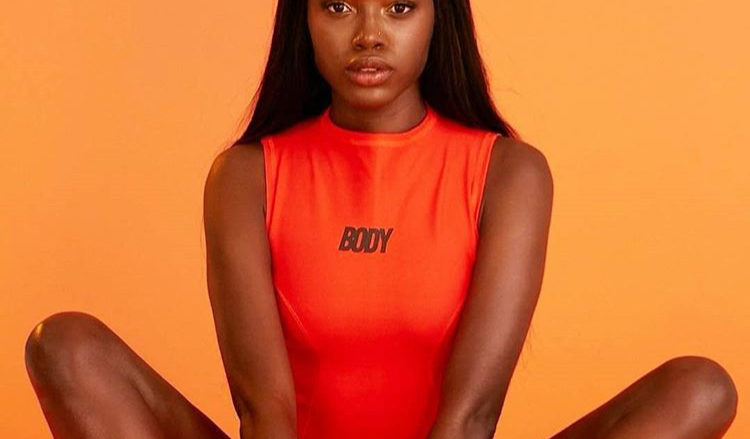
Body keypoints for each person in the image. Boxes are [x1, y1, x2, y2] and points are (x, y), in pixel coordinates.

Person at [24, 1, 738, 438]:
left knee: (699, 388)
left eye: (399, 7)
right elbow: (264, 412)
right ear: (303, 20)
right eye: (338, 6)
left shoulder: (509, 173)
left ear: (438, 19)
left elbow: (471, 417)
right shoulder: (244, 176)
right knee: (65, 347)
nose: (368, 34)